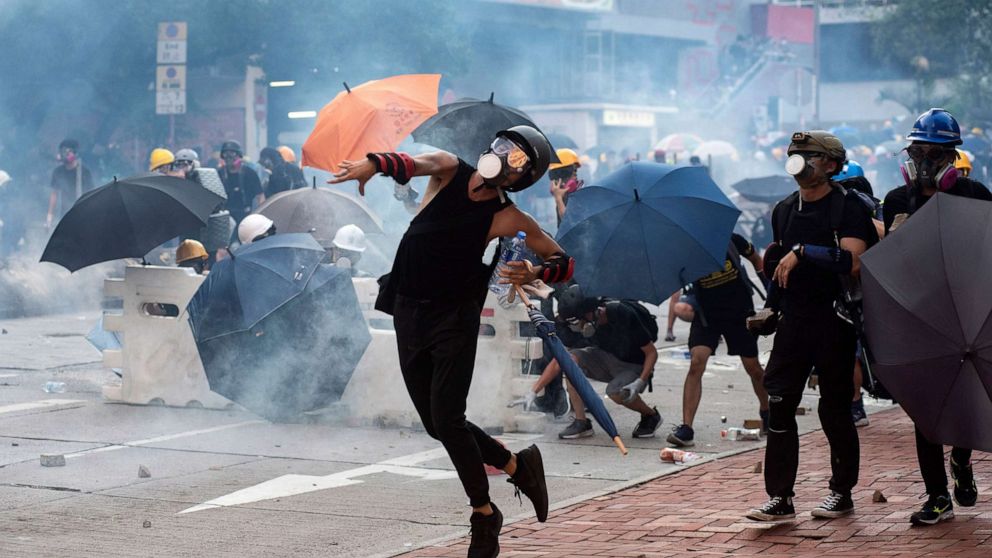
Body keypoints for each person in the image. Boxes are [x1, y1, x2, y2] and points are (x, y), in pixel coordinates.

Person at [330, 126, 572, 557]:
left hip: (454, 319)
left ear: (520, 178)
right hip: (407, 307)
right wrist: (373, 163)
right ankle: (518, 466)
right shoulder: (449, 169)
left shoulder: (509, 217)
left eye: (516, 160)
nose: (502, 157)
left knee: (448, 416)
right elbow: (411, 163)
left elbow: (562, 262)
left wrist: (535, 273)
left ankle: (484, 515)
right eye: (502, 148)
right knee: (435, 424)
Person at [747, 130, 872, 522]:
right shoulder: (784, 209)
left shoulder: (847, 207)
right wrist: (769, 308)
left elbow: (853, 261)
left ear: (831, 164)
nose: (801, 161)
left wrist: (805, 252)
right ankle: (780, 498)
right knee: (780, 403)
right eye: (795, 154)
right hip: (794, 322)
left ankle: (842, 491)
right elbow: (780, 267)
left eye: (810, 155)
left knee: (834, 409)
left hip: (834, 322)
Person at [882, 108, 991, 526]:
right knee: (924, 410)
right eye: (919, 151)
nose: (926, 161)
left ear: (952, 158)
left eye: (936, 153)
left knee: (971, 399)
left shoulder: (976, 196)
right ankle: (937, 496)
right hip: (921, 317)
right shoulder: (896, 202)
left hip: (971, 312)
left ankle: (961, 458)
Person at [667, 233, 769, 448]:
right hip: (707, 315)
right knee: (697, 362)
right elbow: (676, 280)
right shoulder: (685, 251)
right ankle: (686, 428)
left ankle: (767, 412)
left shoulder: (731, 240)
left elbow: (757, 260)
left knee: (753, 368)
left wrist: (771, 294)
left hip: (738, 311)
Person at [553, 285, 662, 441]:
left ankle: (650, 415)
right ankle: (581, 422)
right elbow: (560, 360)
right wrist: (534, 391)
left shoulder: (622, 313)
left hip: (634, 365)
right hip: (606, 359)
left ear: (591, 314)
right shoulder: (587, 325)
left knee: (615, 392)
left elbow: (651, 352)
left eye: (578, 321)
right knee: (571, 361)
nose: (577, 327)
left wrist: (640, 381)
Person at [47, 138, 94, 226]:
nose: (64, 155)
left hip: (83, 215)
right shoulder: (58, 172)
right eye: (62, 152)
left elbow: (91, 195)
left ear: (75, 153)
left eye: (67, 152)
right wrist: (49, 216)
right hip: (65, 215)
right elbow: (54, 194)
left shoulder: (84, 172)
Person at [217, 140, 264, 223]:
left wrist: (260, 215)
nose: (228, 157)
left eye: (232, 154)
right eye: (225, 154)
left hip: (246, 216)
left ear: (239, 155)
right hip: (226, 216)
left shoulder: (249, 173)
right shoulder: (219, 173)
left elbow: (260, 196)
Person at [548, 148, 583, 224]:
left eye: (575, 171)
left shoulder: (577, 195)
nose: (575, 174)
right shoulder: (565, 194)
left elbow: (568, 222)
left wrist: (558, 198)